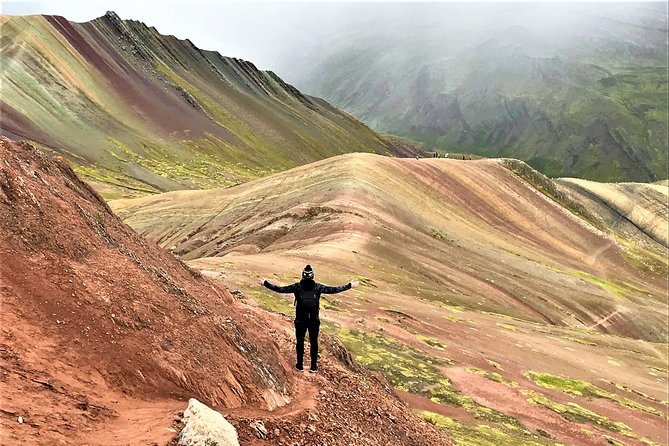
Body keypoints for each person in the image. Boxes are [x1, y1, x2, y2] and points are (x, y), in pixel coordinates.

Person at [260, 265, 359, 373]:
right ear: (312, 276)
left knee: (300, 342)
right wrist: (350, 285)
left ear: (303, 275)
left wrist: (265, 283)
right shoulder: (318, 287)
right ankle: (313, 367)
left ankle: (299, 365)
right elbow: (334, 290)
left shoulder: (297, 287)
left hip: (300, 320)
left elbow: (280, 289)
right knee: (314, 343)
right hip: (314, 320)